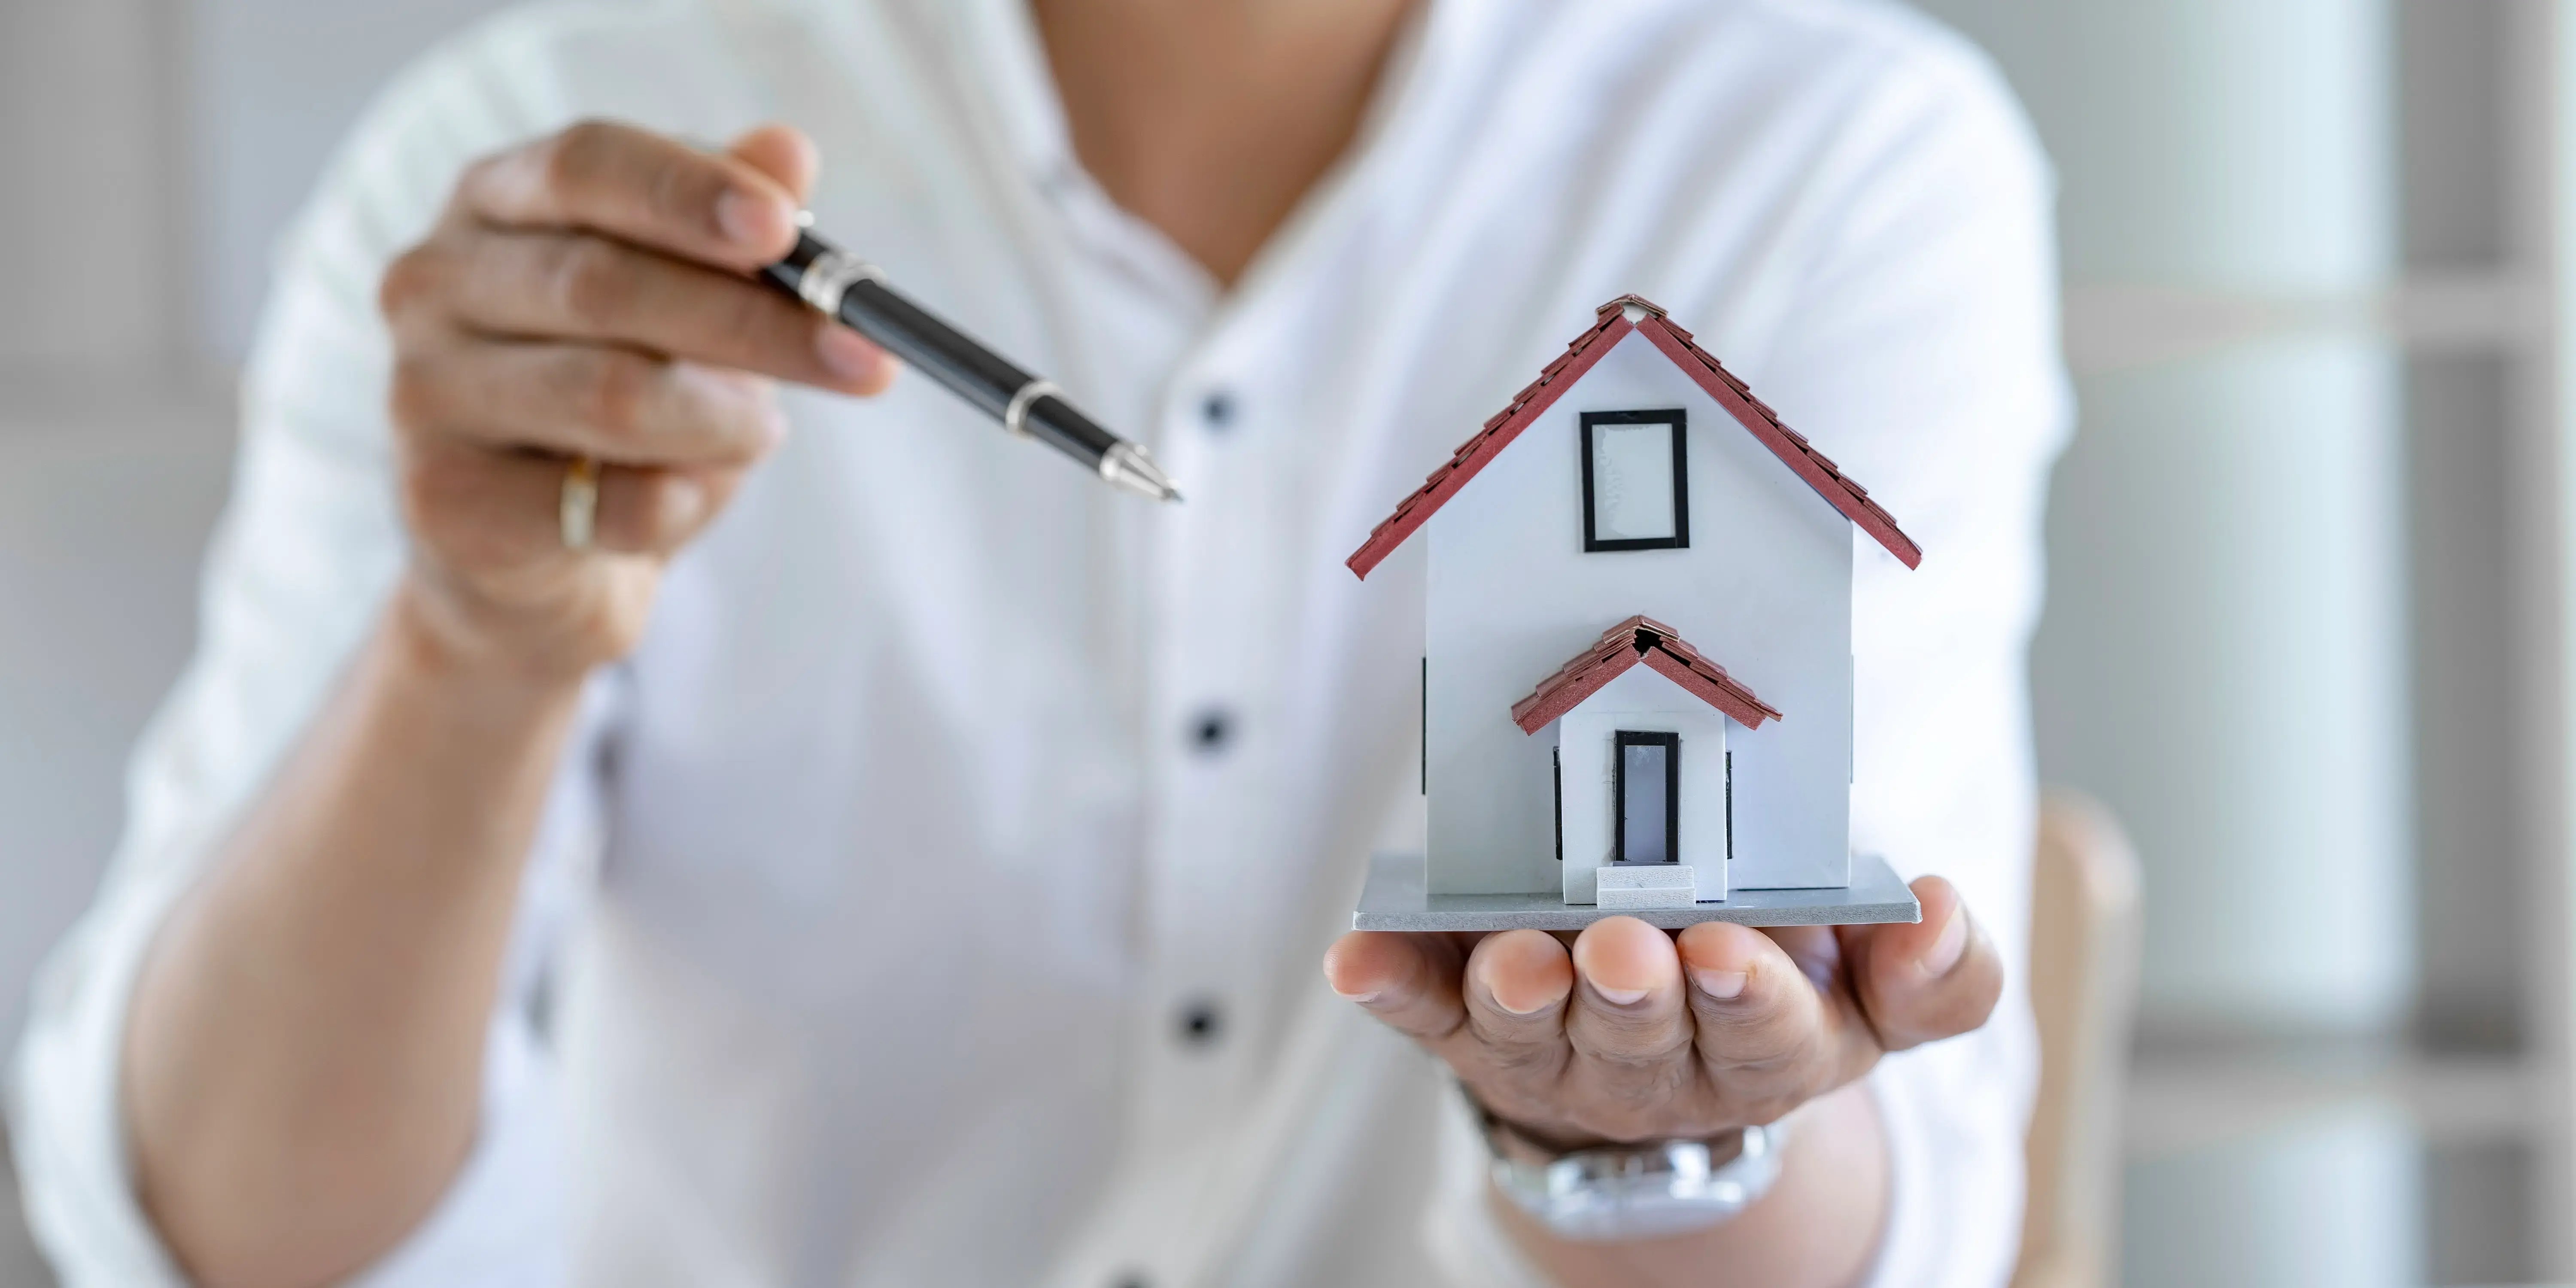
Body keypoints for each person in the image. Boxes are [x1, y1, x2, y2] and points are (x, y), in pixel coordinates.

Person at [11, 0, 2065, 1283]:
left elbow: (1881, 1231)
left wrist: (1637, 1138)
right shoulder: (555, 176)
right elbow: (217, 1243)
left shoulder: (1829, 157)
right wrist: (477, 651)